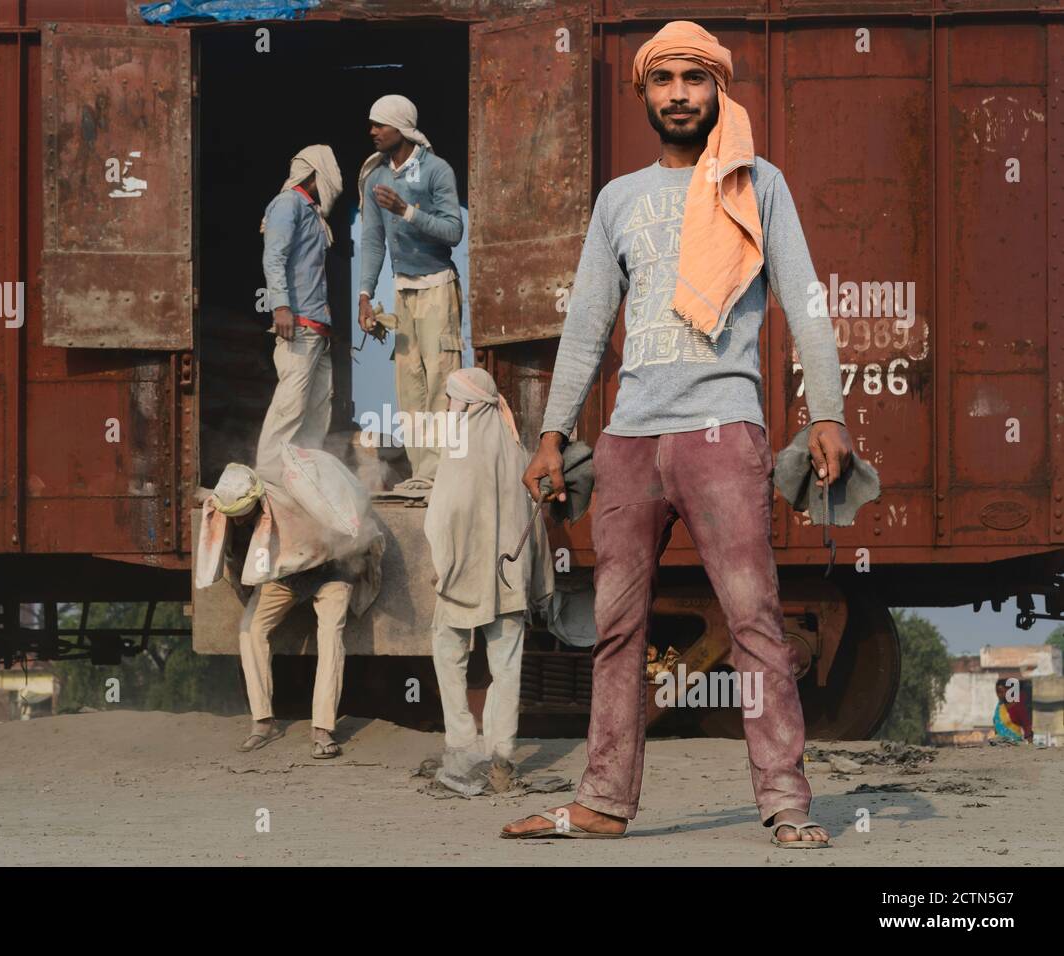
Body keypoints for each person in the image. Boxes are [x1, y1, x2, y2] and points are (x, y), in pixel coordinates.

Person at [502, 21, 851, 848]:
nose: (681, 95)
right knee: (617, 626)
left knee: (754, 619)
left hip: (722, 431)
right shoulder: (617, 201)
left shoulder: (757, 183)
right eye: (665, 82)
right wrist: (554, 434)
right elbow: (588, 323)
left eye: (695, 80)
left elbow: (804, 301)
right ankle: (602, 802)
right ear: (645, 94)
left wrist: (827, 410)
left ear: (716, 89)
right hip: (628, 442)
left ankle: (785, 800)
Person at [424, 368, 553, 791]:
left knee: (448, 653)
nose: (447, 407)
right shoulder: (516, 450)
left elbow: (443, 514)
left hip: (462, 575)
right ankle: (500, 757)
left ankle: (462, 749)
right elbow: (535, 524)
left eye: (452, 399)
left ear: (470, 404)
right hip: (509, 577)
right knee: (507, 667)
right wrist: (536, 578)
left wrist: (442, 564)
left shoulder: (457, 449)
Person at [205, 462, 357, 760]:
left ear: (257, 499)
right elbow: (235, 556)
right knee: (251, 630)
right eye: (231, 516)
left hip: (330, 569)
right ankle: (263, 722)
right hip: (284, 576)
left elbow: (338, 530)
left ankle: (323, 729)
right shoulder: (232, 514)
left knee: (330, 638)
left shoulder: (292, 502)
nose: (236, 522)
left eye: (241, 514)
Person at [356, 95, 464, 499]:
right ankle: (423, 473)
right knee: (410, 388)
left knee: (441, 382)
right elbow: (372, 241)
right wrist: (365, 294)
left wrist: (406, 211)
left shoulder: (436, 171)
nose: (372, 131)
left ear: (400, 128)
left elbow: (454, 231)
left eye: (379, 125)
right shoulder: (375, 179)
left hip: (437, 286)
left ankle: (443, 474)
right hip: (402, 291)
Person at [255, 145, 344, 485]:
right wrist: (281, 307)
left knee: (317, 408)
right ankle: (268, 476)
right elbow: (273, 257)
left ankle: (301, 477)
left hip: (317, 329)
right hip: (299, 326)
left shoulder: (312, 213)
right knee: (289, 406)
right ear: (313, 174)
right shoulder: (288, 204)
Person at [993, 678, 1032, 743]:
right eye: (998, 692)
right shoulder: (999, 707)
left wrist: (1031, 745)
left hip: (1015, 745)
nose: (999, 695)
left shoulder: (1018, 706)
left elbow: (1027, 728)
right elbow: (996, 726)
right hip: (999, 745)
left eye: (1002, 692)